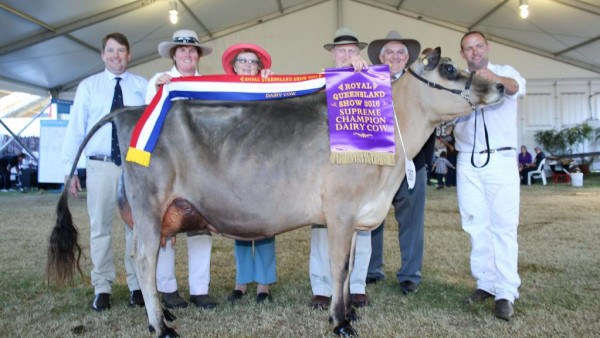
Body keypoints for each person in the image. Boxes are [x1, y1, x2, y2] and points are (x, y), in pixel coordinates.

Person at [61, 32, 147, 311]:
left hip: (134, 167)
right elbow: (75, 129)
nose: (116, 55)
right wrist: (70, 170)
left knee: (136, 228)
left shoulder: (142, 86)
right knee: (100, 228)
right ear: (102, 55)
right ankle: (103, 287)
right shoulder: (88, 87)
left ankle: (137, 285)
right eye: (111, 51)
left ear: (129, 55)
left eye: (121, 50)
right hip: (100, 165)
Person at [455, 31, 526, 321]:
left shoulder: (505, 72)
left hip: (501, 158)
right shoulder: (458, 79)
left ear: (487, 47)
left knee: (504, 226)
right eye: (468, 49)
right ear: (462, 54)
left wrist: (492, 75)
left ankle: (506, 292)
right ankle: (485, 282)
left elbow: (514, 88)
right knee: (474, 224)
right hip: (466, 160)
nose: (474, 52)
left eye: (478, 46)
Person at [145, 29, 217, 310]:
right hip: (167, 165)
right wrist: (157, 91)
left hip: (201, 165)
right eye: (182, 50)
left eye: (192, 51)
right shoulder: (158, 82)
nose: (187, 54)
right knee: (166, 228)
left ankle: (200, 289)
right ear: (173, 54)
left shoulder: (210, 85)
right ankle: (168, 288)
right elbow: (146, 120)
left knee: (202, 226)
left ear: (197, 55)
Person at [366, 32, 435, 297]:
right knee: (372, 219)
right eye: (389, 52)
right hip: (376, 165)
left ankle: (410, 274)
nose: (395, 57)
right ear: (380, 58)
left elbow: (432, 121)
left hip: (411, 163)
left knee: (412, 222)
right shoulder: (368, 83)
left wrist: (424, 162)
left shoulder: (420, 84)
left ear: (407, 58)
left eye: (400, 53)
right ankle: (372, 270)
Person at [310, 27, 370, 310]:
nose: (346, 55)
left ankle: (356, 285)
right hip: (324, 163)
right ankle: (321, 287)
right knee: (322, 225)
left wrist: (364, 75)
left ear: (358, 54)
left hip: (359, 166)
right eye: (341, 51)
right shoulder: (318, 80)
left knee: (362, 224)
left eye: (351, 51)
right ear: (332, 54)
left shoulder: (370, 78)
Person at [220, 43, 276, 304]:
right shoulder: (222, 92)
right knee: (239, 223)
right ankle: (241, 281)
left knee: (265, 224)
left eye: (252, 62)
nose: (247, 65)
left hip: (265, 165)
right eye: (242, 60)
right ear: (234, 65)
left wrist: (272, 86)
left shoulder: (269, 89)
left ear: (260, 67)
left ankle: (264, 283)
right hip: (235, 166)